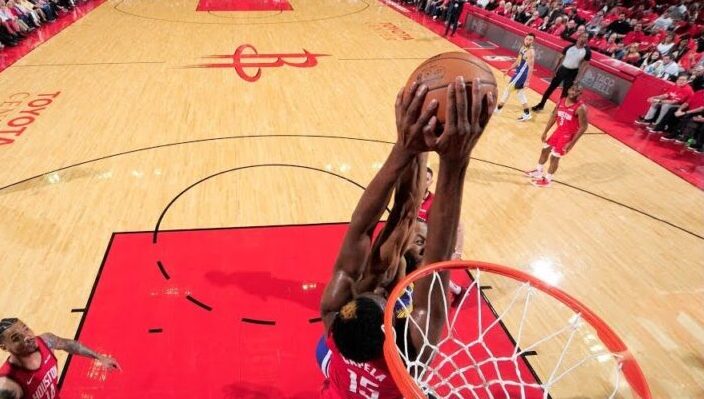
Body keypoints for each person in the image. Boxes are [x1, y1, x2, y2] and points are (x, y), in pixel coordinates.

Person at [318, 77, 495, 398]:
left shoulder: (335, 318)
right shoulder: (410, 357)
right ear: (391, 334)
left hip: (342, 378)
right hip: (372, 380)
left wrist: (405, 148)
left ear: (334, 329)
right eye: (384, 302)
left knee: (386, 255)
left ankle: (419, 154)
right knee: (395, 247)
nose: (381, 293)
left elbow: (360, 228)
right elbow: (437, 264)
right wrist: (456, 163)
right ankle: (419, 161)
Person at [0, 318, 120, 399]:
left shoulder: (46, 341)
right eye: (16, 338)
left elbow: (70, 345)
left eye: (26, 329)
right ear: (4, 347)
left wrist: (99, 357)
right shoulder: (8, 385)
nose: (27, 337)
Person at [526, 84, 588, 188]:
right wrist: (545, 131)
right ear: (568, 90)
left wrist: (571, 143)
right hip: (558, 131)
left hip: (568, 135)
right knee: (545, 150)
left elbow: (583, 127)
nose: (573, 92)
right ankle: (538, 171)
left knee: (554, 157)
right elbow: (554, 116)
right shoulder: (561, 101)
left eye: (577, 91)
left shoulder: (580, 108)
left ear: (580, 94)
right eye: (572, 89)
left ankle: (547, 180)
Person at [532, 33, 591, 112]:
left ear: (587, 40)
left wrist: (579, 78)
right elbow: (560, 57)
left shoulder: (587, 51)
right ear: (578, 38)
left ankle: (557, 109)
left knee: (565, 93)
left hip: (572, 73)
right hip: (562, 69)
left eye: (585, 38)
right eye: (582, 37)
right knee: (551, 88)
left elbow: (585, 66)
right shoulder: (569, 47)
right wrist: (555, 69)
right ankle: (541, 104)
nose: (583, 39)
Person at [495, 33, 535, 121]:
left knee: (507, 90)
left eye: (530, 40)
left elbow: (531, 68)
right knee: (520, 94)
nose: (528, 41)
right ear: (524, 39)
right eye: (527, 39)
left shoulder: (530, 52)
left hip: (521, 75)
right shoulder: (523, 48)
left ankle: (498, 109)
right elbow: (518, 61)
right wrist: (509, 69)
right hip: (518, 73)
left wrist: (527, 81)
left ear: (533, 41)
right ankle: (527, 114)